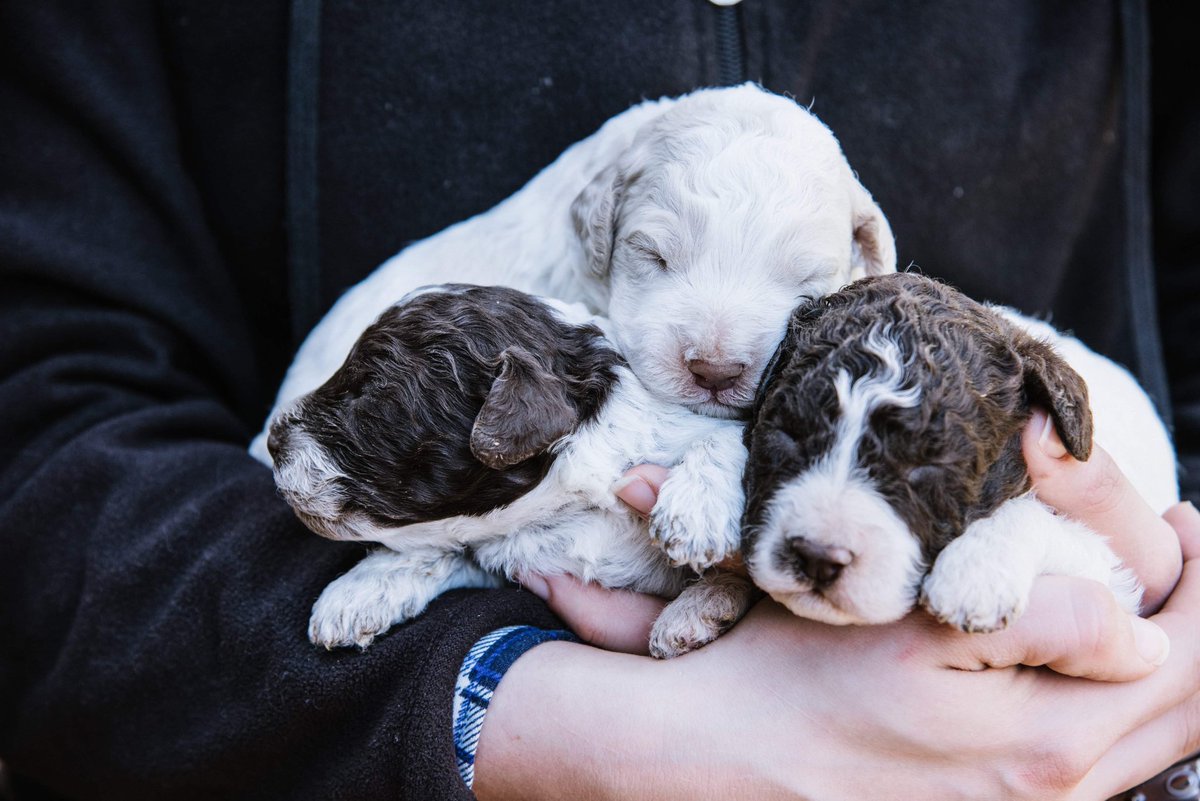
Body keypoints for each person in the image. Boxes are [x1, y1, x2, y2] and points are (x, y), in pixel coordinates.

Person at [0, 2, 1196, 799]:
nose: (726, 354)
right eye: (657, 259)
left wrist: (1173, 650)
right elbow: (39, 431)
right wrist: (515, 714)